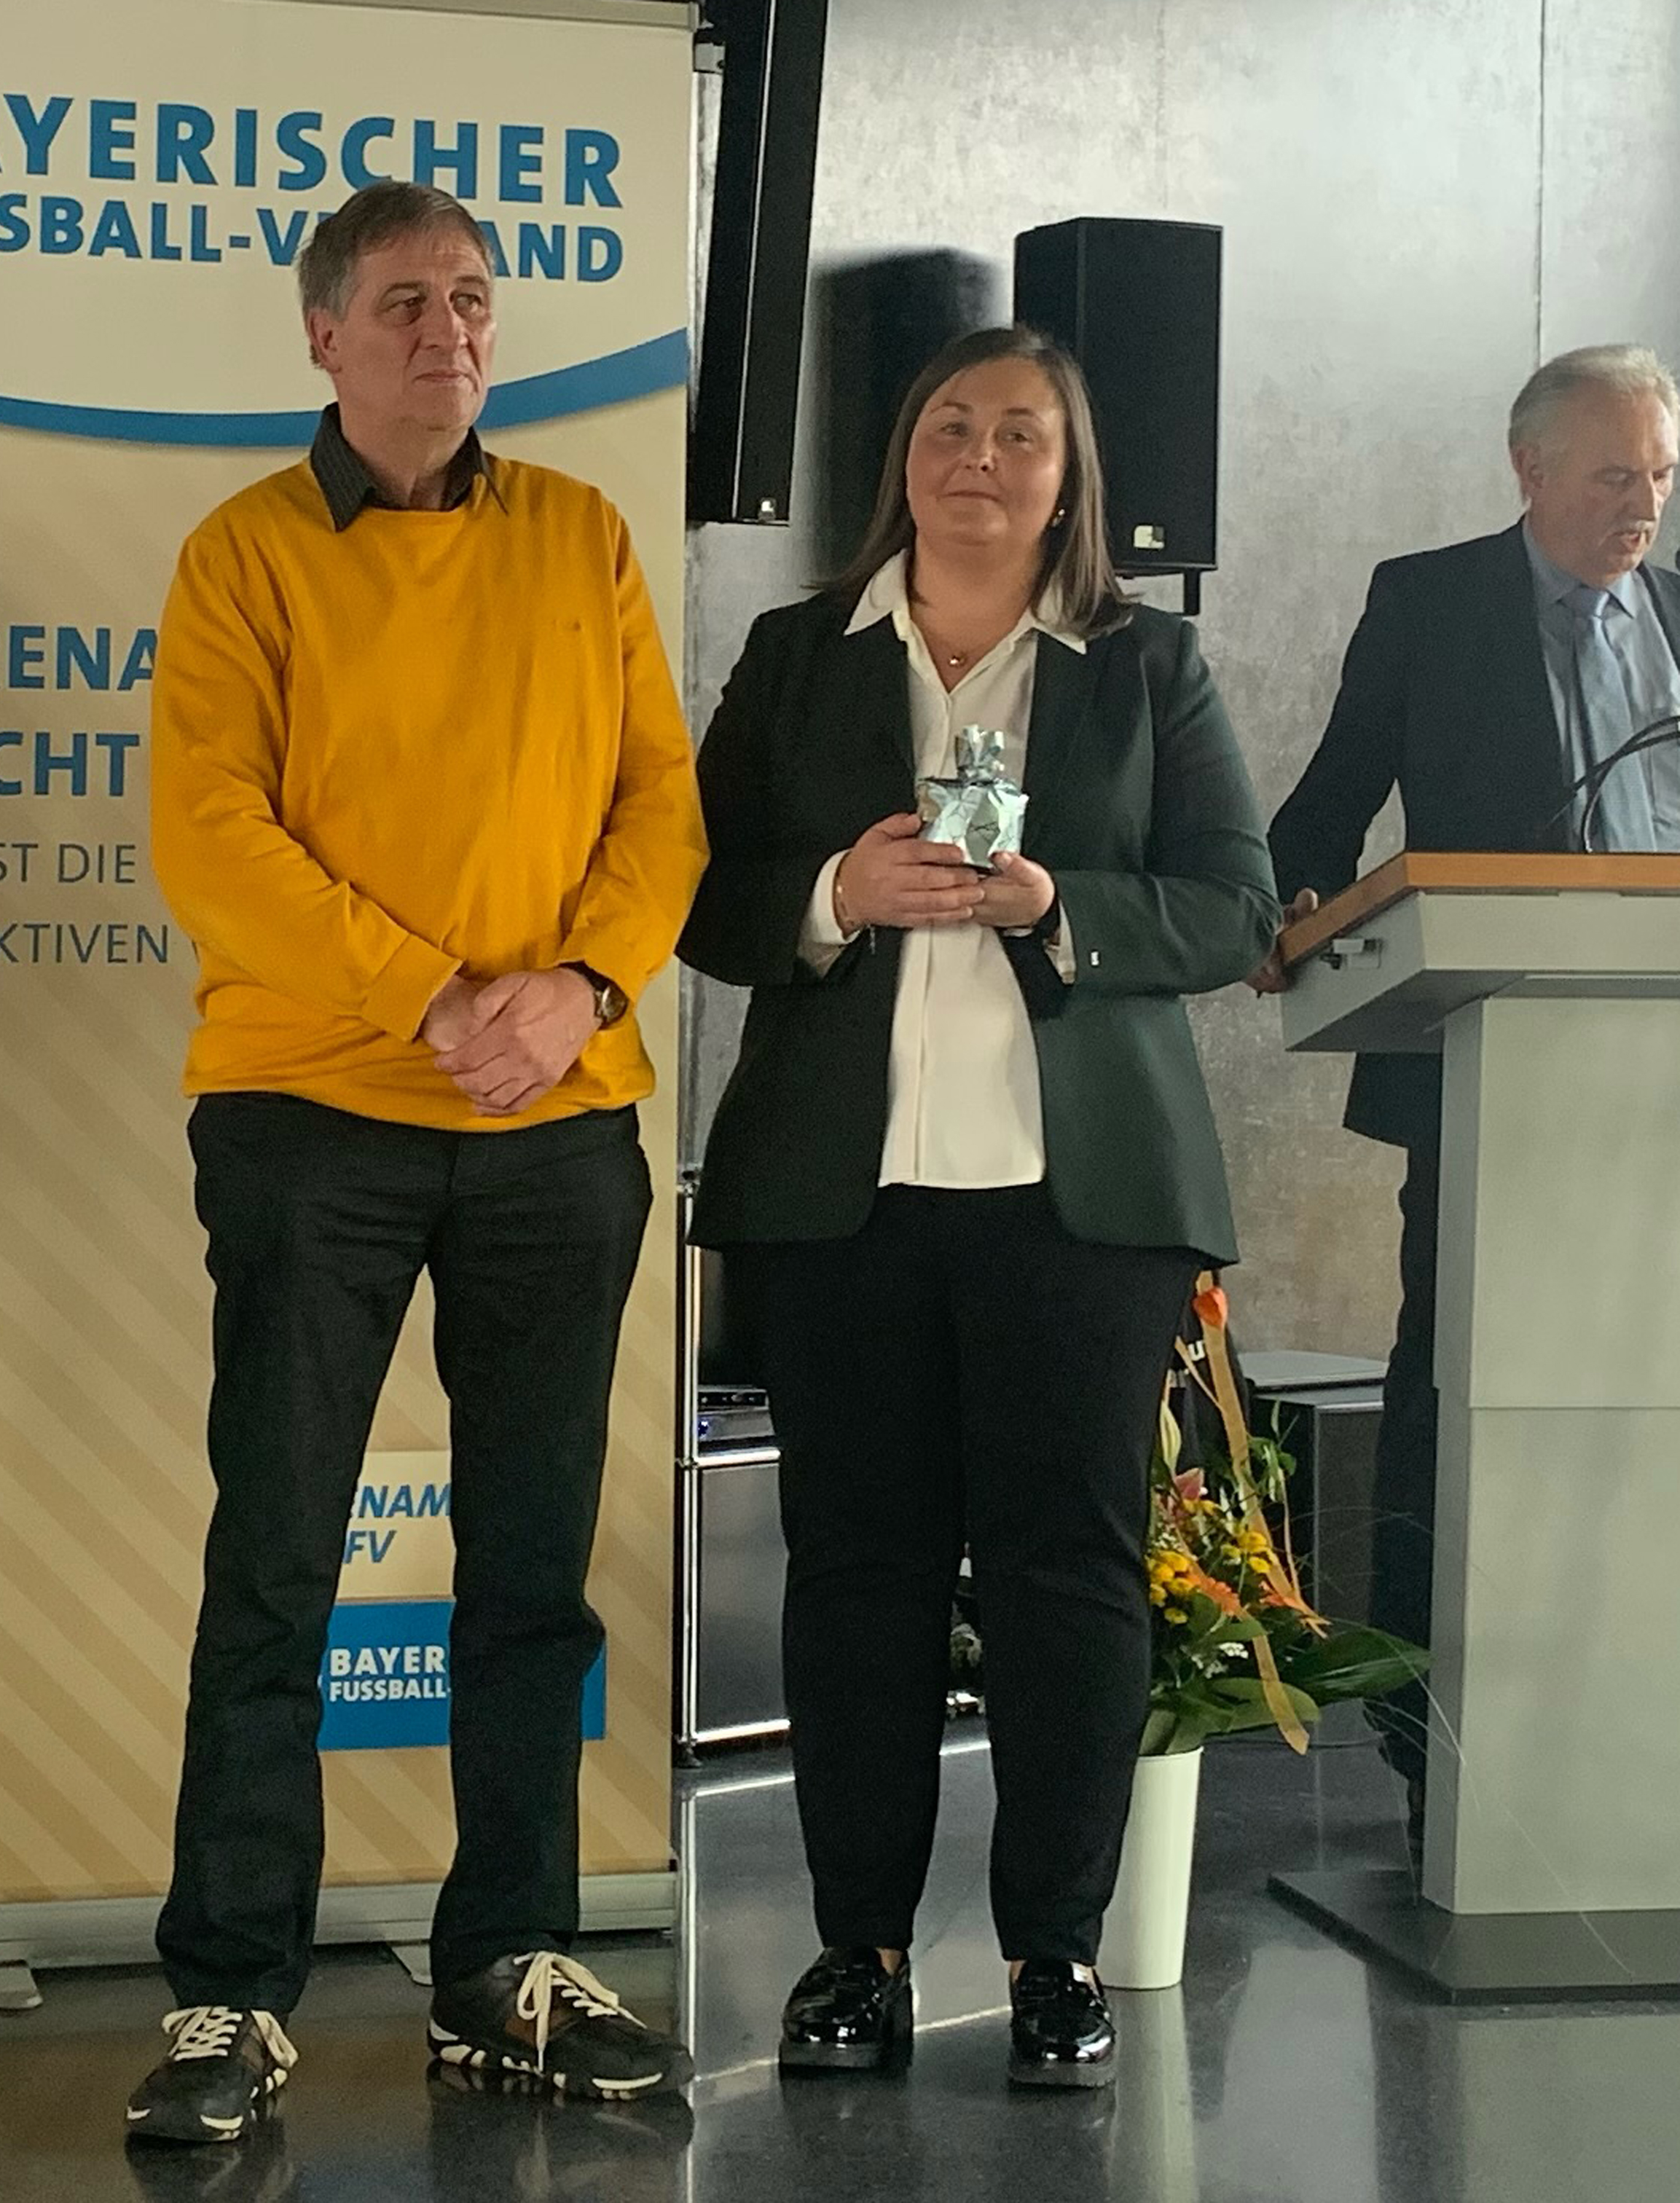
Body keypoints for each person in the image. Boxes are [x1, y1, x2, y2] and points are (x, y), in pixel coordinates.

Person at [129, 180, 707, 2143]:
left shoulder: (583, 535)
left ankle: (508, 1965)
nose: (447, 333)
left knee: (533, 1565)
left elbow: (661, 807)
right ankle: (228, 1991)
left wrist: (575, 987)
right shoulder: (243, 555)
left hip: (560, 1115)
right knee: (278, 1559)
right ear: (322, 336)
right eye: (401, 304)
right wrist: (432, 996)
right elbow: (213, 835)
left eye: (471, 299)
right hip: (312, 1116)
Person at [680, 326, 1276, 2091]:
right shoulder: (800, 654)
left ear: (1070, 476)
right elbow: (696, 892)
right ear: (906, 458)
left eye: (1024, 433)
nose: (982, 458)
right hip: (840, 1199)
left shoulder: (1147, 665)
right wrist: (830, 892)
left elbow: (1236, 908)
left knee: (1064, 1578)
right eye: (952, 425)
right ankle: (856, 1956)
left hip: (1080, 1208)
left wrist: (1055, 905)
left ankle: (1054, 1959)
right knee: (856, 1574)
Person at [1254, 345, 1680, 1850]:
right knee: (1451, 1374)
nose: (1643, 504)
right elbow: (1331, 795)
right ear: (1530, 470)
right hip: (1487, 1064)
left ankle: (1630, 1704)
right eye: (1616, 473)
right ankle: (1426, 1711)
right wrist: (1287, 904)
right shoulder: (1431, 603)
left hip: (1656, 1081)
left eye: (1662, 475)